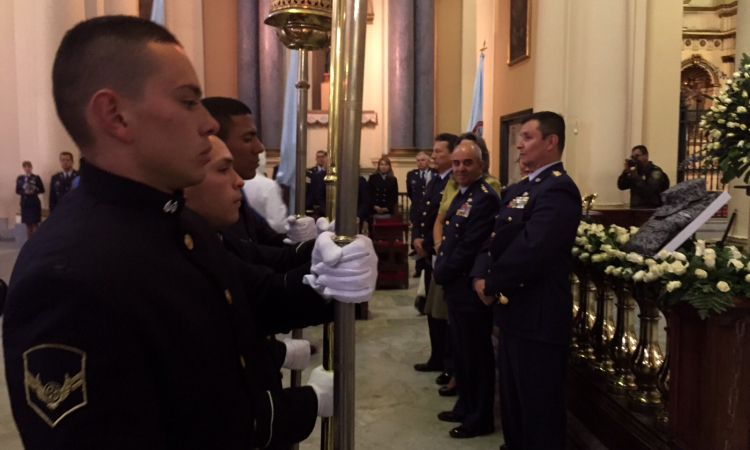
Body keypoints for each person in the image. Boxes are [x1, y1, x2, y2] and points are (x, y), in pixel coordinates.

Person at [3, 16, 375, 449]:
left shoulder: (179, 222)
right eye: (187, 102)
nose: (210, 124)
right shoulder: (66, 277)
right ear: (115, 115)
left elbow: (254, 300)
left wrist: (331, 270)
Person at [471, 111, 581, 450]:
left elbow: (533, 248)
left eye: (528, 137)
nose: (519, 144)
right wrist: (479, 272)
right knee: (514, 402)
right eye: (520, 137)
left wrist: (491, 284)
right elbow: (494, 236)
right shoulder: (522, 188)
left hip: (540, 315)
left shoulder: (558, 188)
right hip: (515, 313)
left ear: (552, 142)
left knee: (539, 408)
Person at [433, 140, 500, 440]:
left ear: (481, 166)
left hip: (469, 288)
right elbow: (450, 238)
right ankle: (465, 405)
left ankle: (480, 417)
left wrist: (442, 271)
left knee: (476, 356)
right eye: (457, 163)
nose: (460, 168)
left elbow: (470, 245)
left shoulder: (484, 197)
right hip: (455, 287)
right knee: (461, 352)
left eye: (467, 163)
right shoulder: (463, 195)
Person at [201, 96, 316, 246]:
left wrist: (311, 244)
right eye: (247, 139)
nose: (259, 148)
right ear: (216, 142)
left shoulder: (238, 193)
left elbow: (267, 243)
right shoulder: (209, 201)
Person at [411, 133, 456, 382]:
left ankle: (448, 361)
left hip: (438, 253)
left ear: (452, 154)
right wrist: (416, 238)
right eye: (434, 151)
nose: (434, 155)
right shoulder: (433, 181)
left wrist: (427, 245)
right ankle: (436, 356)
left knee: (442, 312)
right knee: (431, 310)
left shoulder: (454, 181)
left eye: (439, 151)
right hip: (428, 254)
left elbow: (446, 220)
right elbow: (420, 212)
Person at [243, 147, 288, 233]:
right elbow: (278, 223)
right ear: (262, 160)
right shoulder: (268, 185)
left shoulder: (237, 182)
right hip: (266, 238)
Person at [407, 151, 433, 278]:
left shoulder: (434, 174)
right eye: (418, 160)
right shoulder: (412, 175)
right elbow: (411, 193)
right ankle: (418, 269)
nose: (420, 162)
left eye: (423, 160)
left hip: (429, 212)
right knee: (416, 239)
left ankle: (427, 266)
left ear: (428, 161)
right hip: (417, 211)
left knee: (427, 238)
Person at [15, 161, 45, 239]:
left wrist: (33, 191)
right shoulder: (20, 178)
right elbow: (17, 190)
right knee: (27, 224)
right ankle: (29, 241)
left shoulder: (36, 178)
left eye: (29, 167)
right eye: (25, 167)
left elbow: (42, 189)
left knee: (35, 223)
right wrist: (24, 192)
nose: (27, 168)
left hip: (34, 202)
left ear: (31, 167)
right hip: (25, 203)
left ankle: (36, 241)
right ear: (23, 168)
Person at [306, 150, 328, 215]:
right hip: (312, 203)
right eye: (318, 157)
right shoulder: (310, 172)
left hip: (324, 202)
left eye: (322, 157)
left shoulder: (329, 173)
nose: (320, 159)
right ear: (316, 159)